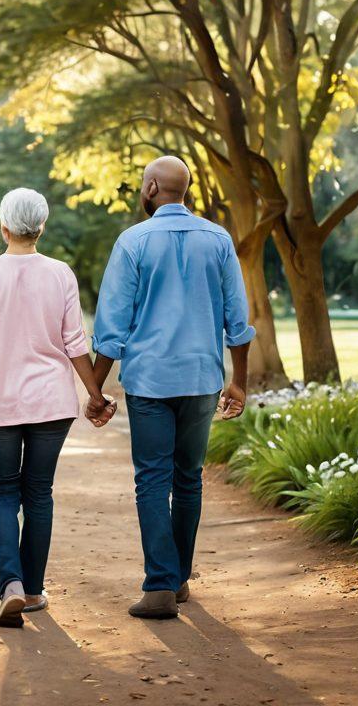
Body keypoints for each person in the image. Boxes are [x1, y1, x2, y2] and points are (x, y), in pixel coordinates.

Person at [92, 156, 254, 620]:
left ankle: (161, 585)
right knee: (188, 477)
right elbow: (238, 321)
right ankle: (178, 576)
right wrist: (239, 383)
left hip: (150, 380)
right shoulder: (218, 239)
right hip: (202, 378)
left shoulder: (133, 241)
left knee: (152, 479)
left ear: (150, 189)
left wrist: (95, 390)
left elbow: (111, 328)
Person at [0, 188, 115, 629]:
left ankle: (10, 584)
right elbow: (74, 342)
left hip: (2, 402)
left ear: (4, 227)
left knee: (3, 493)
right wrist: (95, 393)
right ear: (41, 227)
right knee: (39, 493)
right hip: (51, 402)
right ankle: (32, 590)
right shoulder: (60, 273)